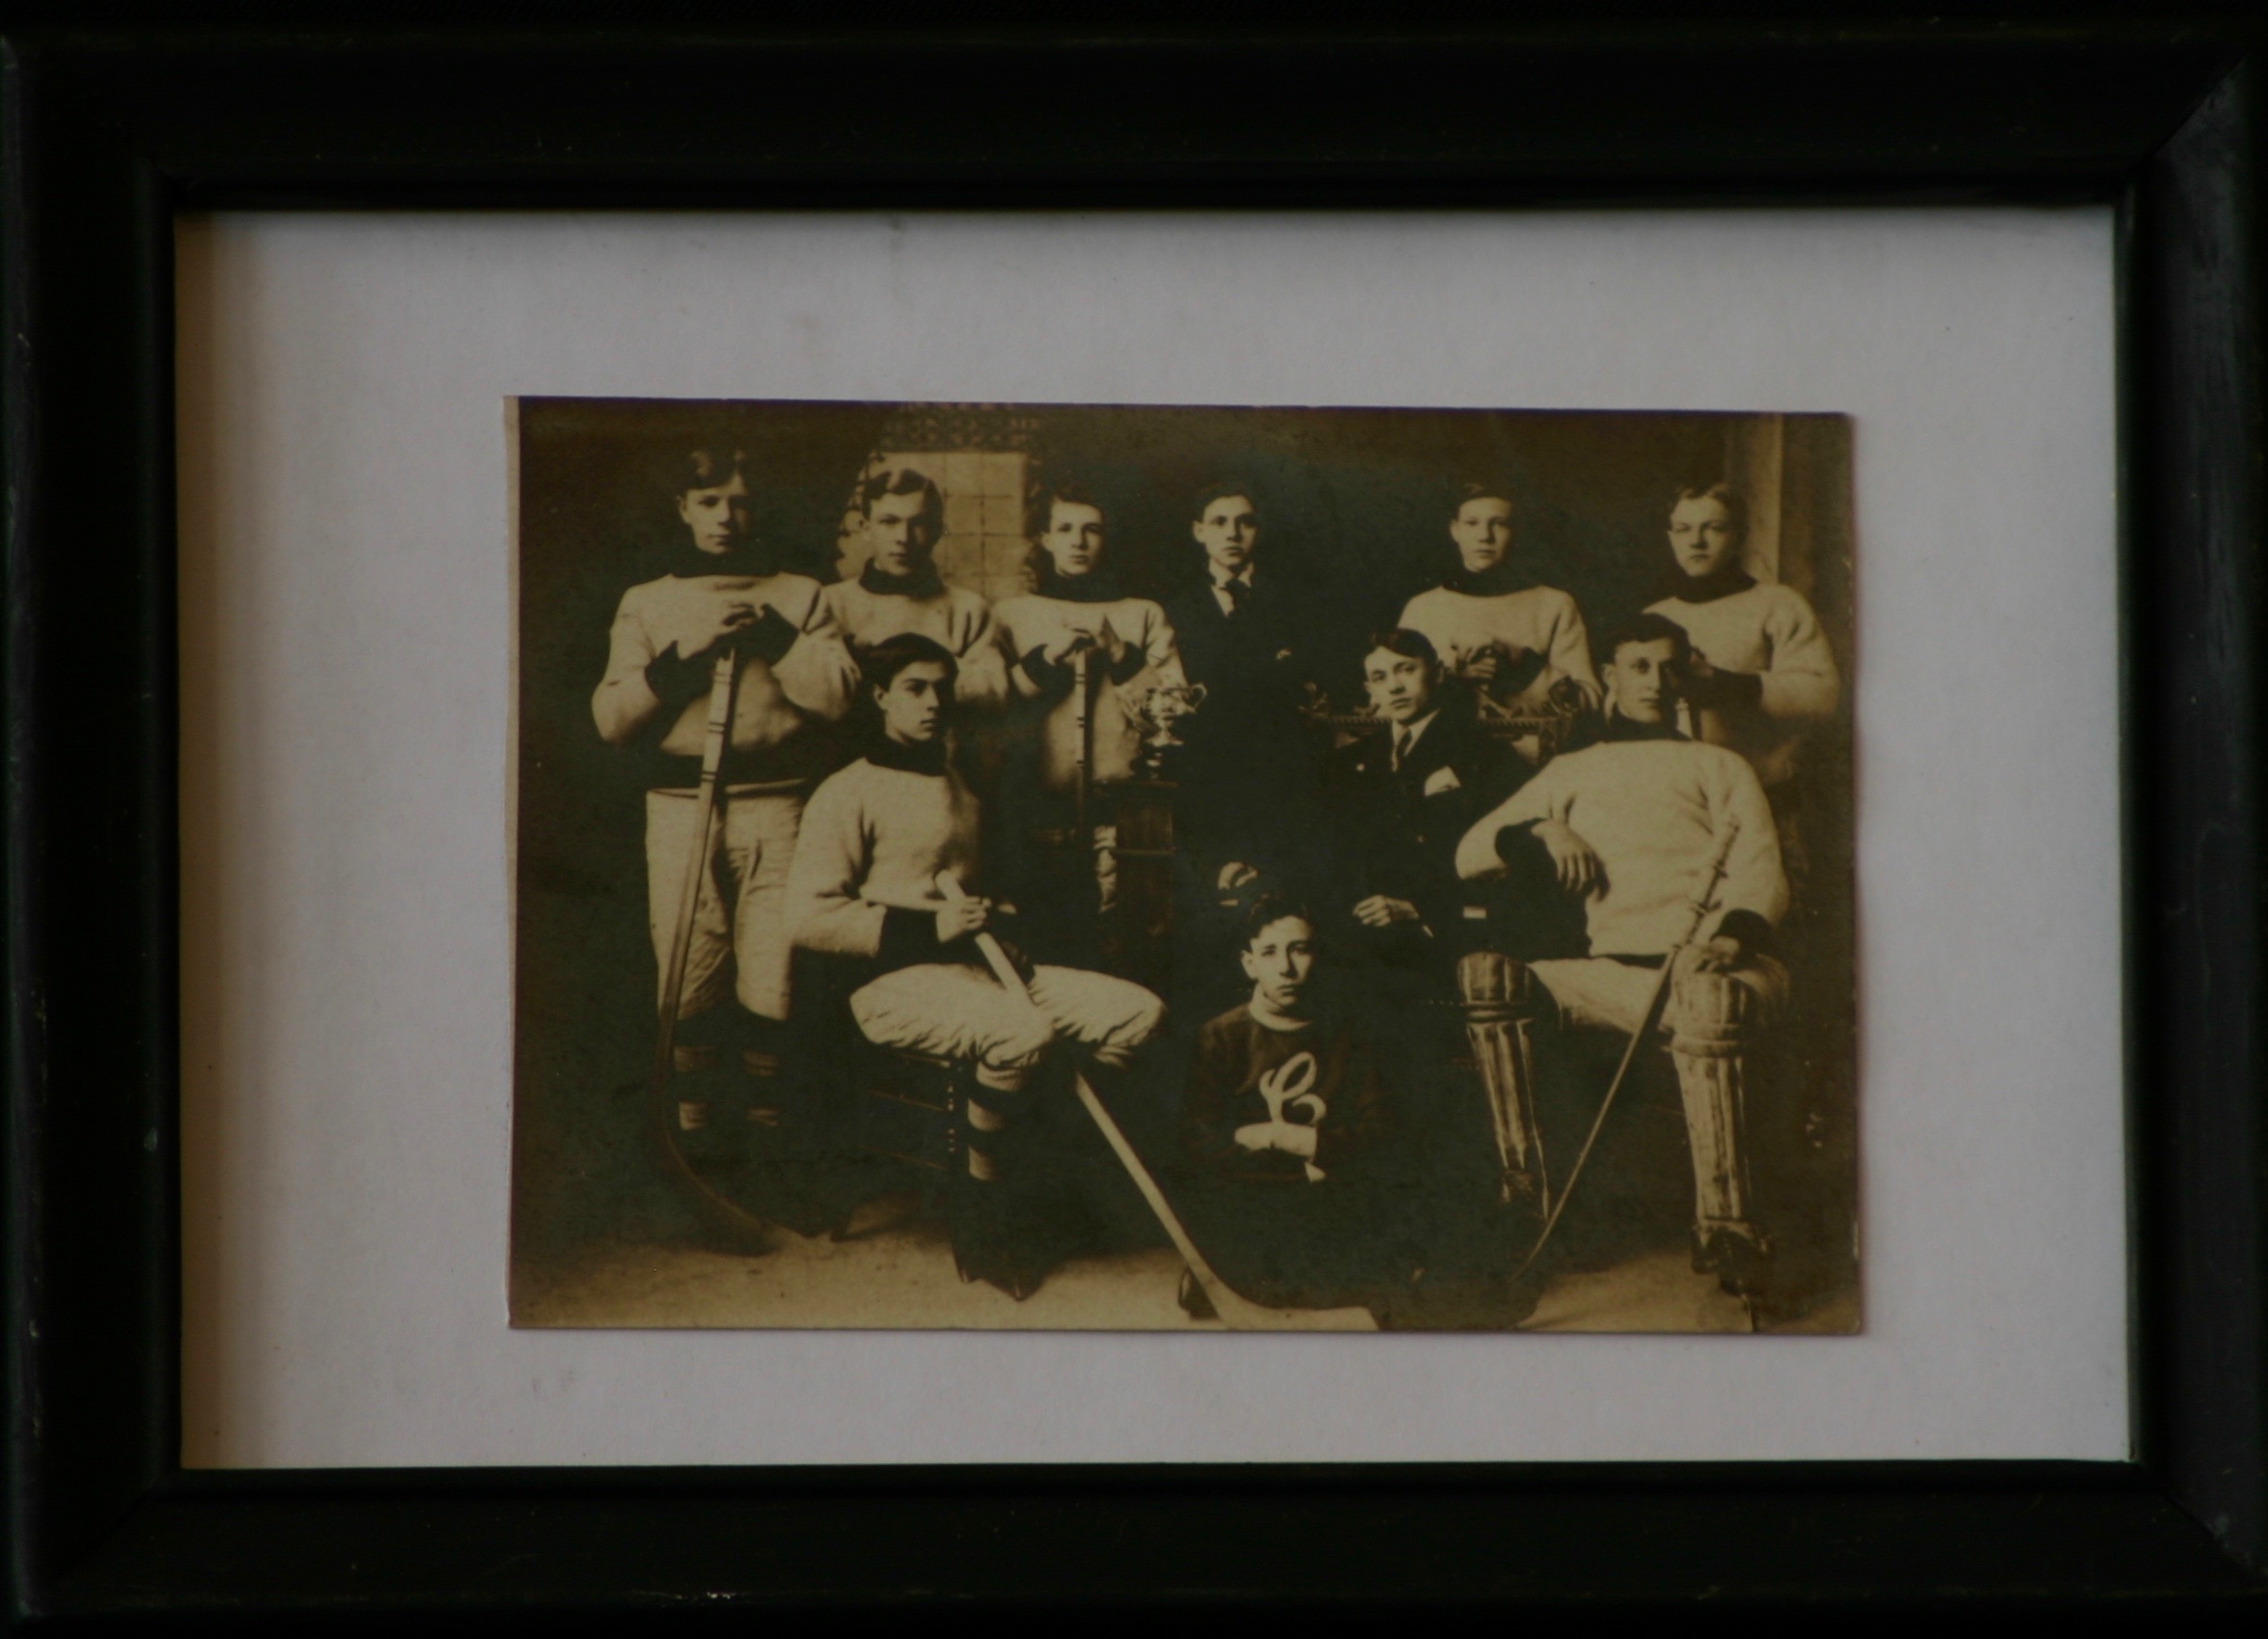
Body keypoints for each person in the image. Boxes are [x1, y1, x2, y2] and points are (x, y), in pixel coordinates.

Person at [785, 633, 1167, 1297]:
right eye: (914, 688)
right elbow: (809, 919)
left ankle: (1047, 1178)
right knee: (1023, 1035)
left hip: (976, 970)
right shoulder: (845, 793)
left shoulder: (957, 783)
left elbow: (979, 888)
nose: (934, 702)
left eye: (942, 688)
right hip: (887, 985)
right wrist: (930, 928)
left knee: (1138, 1013)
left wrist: (1005, 921)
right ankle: (988, 1213)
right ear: (879, 697)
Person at [1453, 613, 1789, 1294]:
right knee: (1490, 979)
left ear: (1686, 673)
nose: (1655, 683)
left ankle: (1726, 1227)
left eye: (1668, 667)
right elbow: (1469, 854)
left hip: (1718, 965)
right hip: (1612, 974)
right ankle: (1528, 1202)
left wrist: (1726, 941)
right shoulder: (1574, 769)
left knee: (1713, 1003)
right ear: (1610, 676)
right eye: (1638, 666)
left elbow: (1762, 872)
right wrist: (1543, 827)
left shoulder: (1720, 765)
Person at [591, 444, 859, 1159]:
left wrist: (774, 637)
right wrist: (682, 661)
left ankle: (767, 1151)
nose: (726, 517)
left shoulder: (802, 595)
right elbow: (611, 720)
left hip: (778, 805)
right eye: (709, 502)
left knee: (774, 976)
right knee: (689, 980)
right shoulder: (647, 601)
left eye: (740, 501)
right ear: (683, 508)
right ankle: (700, 1154)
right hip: (680, 809)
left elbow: (838, 698)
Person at [1177, 895, 1414, 1320]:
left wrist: (1291, 1139)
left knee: (1387, 1262)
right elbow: (1200, 1144)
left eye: (1299, 950)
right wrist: (1296, 1160)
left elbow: (1381, 1131)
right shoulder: (1221, 1036)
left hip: (1326, 1199)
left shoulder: (1349, 1032)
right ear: (1249, 964)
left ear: (1317, 956)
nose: (1286, 968)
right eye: (1269, 953)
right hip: (1257, 1202)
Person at [990, 477, 1186, 957]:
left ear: (1107, 537)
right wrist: (1039, 663)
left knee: (1122, 945)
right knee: (1041, 946)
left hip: (1119, 820)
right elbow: (987, 709)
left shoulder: (1141, 614)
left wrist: (1120, 651)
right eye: (1066, 528)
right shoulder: (1010, 614)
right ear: (1045, 538)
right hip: (1035, 816)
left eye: (1092, 529)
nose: (1078, 541)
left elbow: (1177, 711)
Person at [1644, 482, 1840, 888]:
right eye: (1683, 529)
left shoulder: (1777, 604)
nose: (1696, 541)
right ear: (1670, 537)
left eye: (1713, 528)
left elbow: (1822, 695)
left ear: (1739, 536)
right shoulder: (1655, 616)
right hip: (1680, 804)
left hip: (1764, 794)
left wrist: (1728, 685)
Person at [1316, 628, 1525, 989]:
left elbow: (1507, 860)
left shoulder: (1486, 756)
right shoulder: (1349, 763)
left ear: (1438, 672)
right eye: (1380, 677)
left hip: (1443, 930)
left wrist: (1421, 907)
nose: (1394, 687)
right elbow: (1334, 856)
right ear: (1370, 690)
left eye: (1406, 670)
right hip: (1361, 933)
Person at [1161, 480, 1325, 903]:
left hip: (1279, 782)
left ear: (1259, 530)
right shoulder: (1172, 608)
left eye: (1244, 522)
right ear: (1199, 531)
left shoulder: (1295, 603)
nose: (1232, 534)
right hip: (1202, 781)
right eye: (1219, 522)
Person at [1397, 479, 1601, 716]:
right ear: (1455, 530)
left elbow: (1590, 704)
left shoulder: (1554, 605)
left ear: (1515, 531)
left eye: (1499, 524)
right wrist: (1453, 679)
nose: (1484, 536)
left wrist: (1522, 665)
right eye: (1472, 523)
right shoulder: (1423, 608)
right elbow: (1388, 701)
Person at [818, 464, 1012, 710]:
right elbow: (821, 699)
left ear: (936, 530)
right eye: (889, 522)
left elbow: (992, 696)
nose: (903, 537)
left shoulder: (968, 609)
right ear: (866, 529)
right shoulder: (829, 603)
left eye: (918, 523)